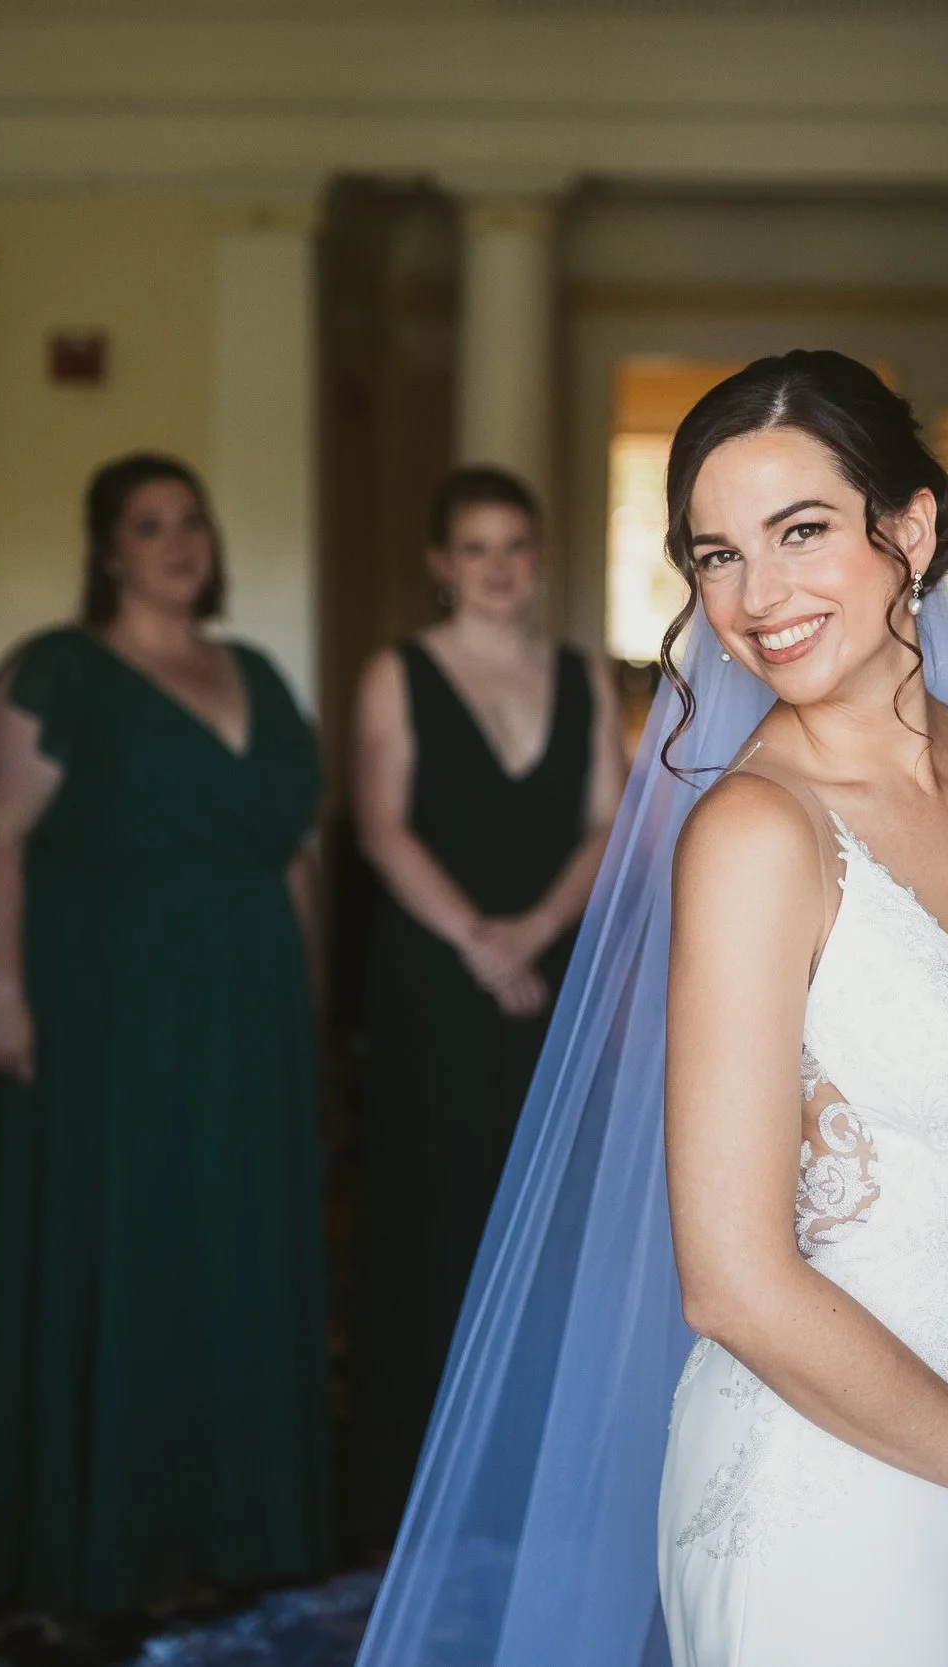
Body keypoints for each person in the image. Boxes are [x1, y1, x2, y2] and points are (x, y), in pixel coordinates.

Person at [357, 352, 948, 1667]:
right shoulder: (756, 832)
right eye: (717, 555)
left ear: (910, 528)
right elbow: (732, 1281)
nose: (756, 598)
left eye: (800, 531)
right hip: (823, 1492)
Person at [0, 453, 328, 1620]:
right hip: (112, 1006)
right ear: (108, 550)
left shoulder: (255, 670)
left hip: (246, 1012)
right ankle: (115, 1532)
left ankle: (238, 1518)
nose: (178, 542)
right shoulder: (56, 669)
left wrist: (307, 1001)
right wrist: (1, 988)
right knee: (132, 1247)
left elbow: (292, 855)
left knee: (232, 1249)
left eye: (190, 521)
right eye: (150, 525)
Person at [347, 466, 624, 1543]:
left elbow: (610, 821)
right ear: (440, 563)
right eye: (476, 547)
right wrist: (477, 938)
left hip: (553, 974)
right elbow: (381, 825)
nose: (498, 567)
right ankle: (420, 1480)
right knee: (436, 1204)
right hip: (435, 977)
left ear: (539, 556)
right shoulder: (399, 673)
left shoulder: (584, 674)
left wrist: (535, 930)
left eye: (515, 545)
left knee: (551, 1214)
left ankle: (532, 1472)